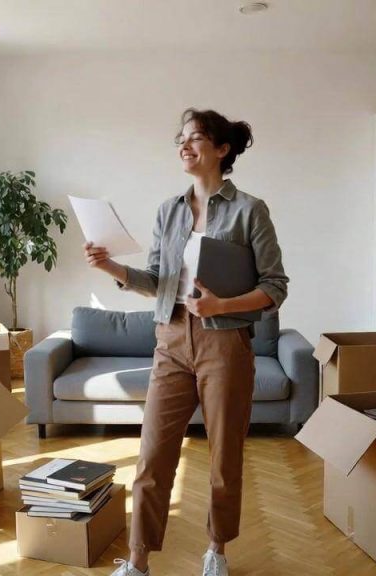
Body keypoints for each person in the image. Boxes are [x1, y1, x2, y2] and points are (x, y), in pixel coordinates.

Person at [84, 108, 288, 576]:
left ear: (222, 149)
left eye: (196, 137)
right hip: (170, 339)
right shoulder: (167, 211)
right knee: (153, 454)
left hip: (226, 343)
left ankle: (216, 549)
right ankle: (138, 560)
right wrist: (110, 267)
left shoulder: (249, 210)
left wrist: (223, 306)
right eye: (181, 137)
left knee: (223, 456)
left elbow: (275, 286)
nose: (184, 144)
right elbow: (157, 279)